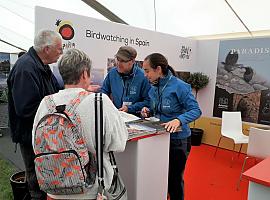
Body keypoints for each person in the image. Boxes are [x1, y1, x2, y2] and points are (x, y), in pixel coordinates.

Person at [32, 48, 128, 199]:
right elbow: (119, 143)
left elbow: (36, 143)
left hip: (55, 188)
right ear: (84, 73)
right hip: (92, 190)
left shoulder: (46, 103)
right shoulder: (99, 102)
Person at [7, 29, 63, 200]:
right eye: (59, 49)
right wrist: (58, 110)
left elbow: (55, 92)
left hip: (40, 134)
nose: (61, 53)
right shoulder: (26, 68)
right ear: (47, 49)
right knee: (36, 181)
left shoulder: (41, 66)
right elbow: (26, 109)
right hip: (30, 136)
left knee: (43, 177)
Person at [141, 53, 202, 200]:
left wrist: (179, 120)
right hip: (160, 139)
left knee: (174, 180)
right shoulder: (154, 87)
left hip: (178, 141)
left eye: (147, 70)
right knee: (161, 176)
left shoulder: (179, 86)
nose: (145, 74)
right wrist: (148, 110)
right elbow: (156, 108)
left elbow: (196, 110)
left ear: (158, 69)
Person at [101, 46, 151, 115]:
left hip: (134, 119)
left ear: (133, 61)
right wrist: (108, 103)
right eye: (118, 59)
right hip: (116, 116)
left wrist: (129, 108)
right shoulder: (112, 73)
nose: (119, 63)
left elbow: (148, 101)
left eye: (123, 61)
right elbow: (104, 91)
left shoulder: (143, 77)